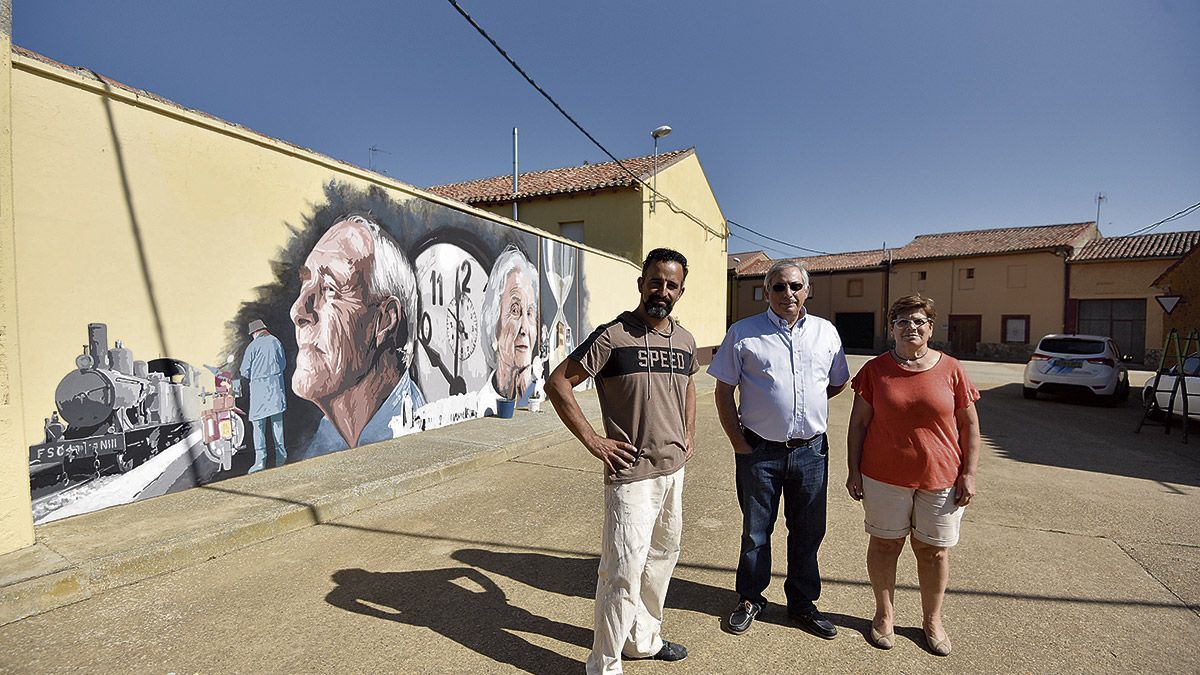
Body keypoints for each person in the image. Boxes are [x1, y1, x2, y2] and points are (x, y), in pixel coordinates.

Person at [545, 248, 697, 674]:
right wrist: (594, 440)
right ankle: (605, 664)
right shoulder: (613, 336)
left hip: (673, 472)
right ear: (641, 283)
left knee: (661, 559)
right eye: (655, 281)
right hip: (631, 476)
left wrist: (689, 434)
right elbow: (558, 382)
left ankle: (643, 640)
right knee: (623, 572)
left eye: (671, 285)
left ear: (680, 291)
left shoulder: (684, 339)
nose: (662, 291)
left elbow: (687, 386)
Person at [708, 260, 850, 638]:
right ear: (767, 292)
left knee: (808, 531)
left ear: (807, 291)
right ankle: (750, 598)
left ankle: (802, 604)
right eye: (779, 287)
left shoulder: (826, 333)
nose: (788, 294)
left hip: (811, 452)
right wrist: (738, 440)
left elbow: (836, 383)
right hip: (759, 451)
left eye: (795, 287)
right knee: (756, 532)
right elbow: (723, 390)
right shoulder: (743, 333)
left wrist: (805, 413)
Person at [845, 294, 980, 656]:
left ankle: (932, 620)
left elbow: (969, 426)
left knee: (933, 552)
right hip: (882, 476)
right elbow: (858, 424)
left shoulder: (952, 369)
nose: (911, 328)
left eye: (919, 321)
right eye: (902, 322)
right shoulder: (875, 370)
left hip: (941, 477)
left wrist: (969, 472)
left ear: (930, 328)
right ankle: (884, 614)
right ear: (891, 329)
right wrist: (853, 470)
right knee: (886, 545)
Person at [290, 215, 426, 457]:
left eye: (329, 289)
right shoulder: (322, 444)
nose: (298, 311)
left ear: (385, 320)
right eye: (305, 286)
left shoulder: (413, 447)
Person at [477, 245, 539, 416]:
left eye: (529, 312)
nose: (525, 328)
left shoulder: (543, 392)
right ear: (493, 325)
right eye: (515, 310)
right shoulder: (480, 407)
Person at [240, 319, 287, 473]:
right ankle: (281, 458)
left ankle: (260, 462)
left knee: (258, 426)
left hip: (259, 390)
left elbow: (244, 371)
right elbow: (283, 364)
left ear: (254, 333)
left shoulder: (252, 346)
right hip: (275, 388)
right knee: (277, 424)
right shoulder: (276, 341)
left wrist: (257, 374)